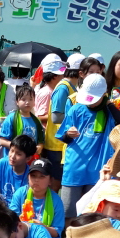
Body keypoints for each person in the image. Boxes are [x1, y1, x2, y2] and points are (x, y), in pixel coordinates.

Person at [55, 74, 120, 225]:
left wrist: (109, 104)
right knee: (68, 214)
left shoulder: (110, 112)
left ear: (104, 94)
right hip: (74, 170)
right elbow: (63, 137)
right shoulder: (76, 109)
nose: (91, 103)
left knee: (92, 215)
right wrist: (68, 134)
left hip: (97, 173)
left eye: (95, 99)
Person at [9, 156, 65, 238]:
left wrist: (42, 227)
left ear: (50, 180)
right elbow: (12, 221)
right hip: (22, 237)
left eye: (42, 176)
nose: (36, 180)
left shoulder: (56, 201)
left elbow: (57, 232)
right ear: (28, 177)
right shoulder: (20, 194)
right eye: (33, 176)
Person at [43, 55, 73, 190]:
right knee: (55, 183)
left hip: (59, 142)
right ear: (54, 76)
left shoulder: (62, 87)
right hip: (56, 144)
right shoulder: (62, 88)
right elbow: (55, 117)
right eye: (61, 73)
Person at [0, 85, 44, 157]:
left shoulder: (37, 121)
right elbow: (2, 141)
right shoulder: (11, 119)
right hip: (13, 159)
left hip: (30, 160)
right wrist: (19, 148)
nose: (27, 102)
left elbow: (41, 141)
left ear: (34, 101)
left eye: (31, 99)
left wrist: (40, 147)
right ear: (17, 102)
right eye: (23, 99)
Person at [0, 134, 35, 207]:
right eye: (11, 151)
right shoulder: (2, 163)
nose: (12, 156)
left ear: (28, 159)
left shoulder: (30, 176)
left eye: (19, 154)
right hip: (1, 208)